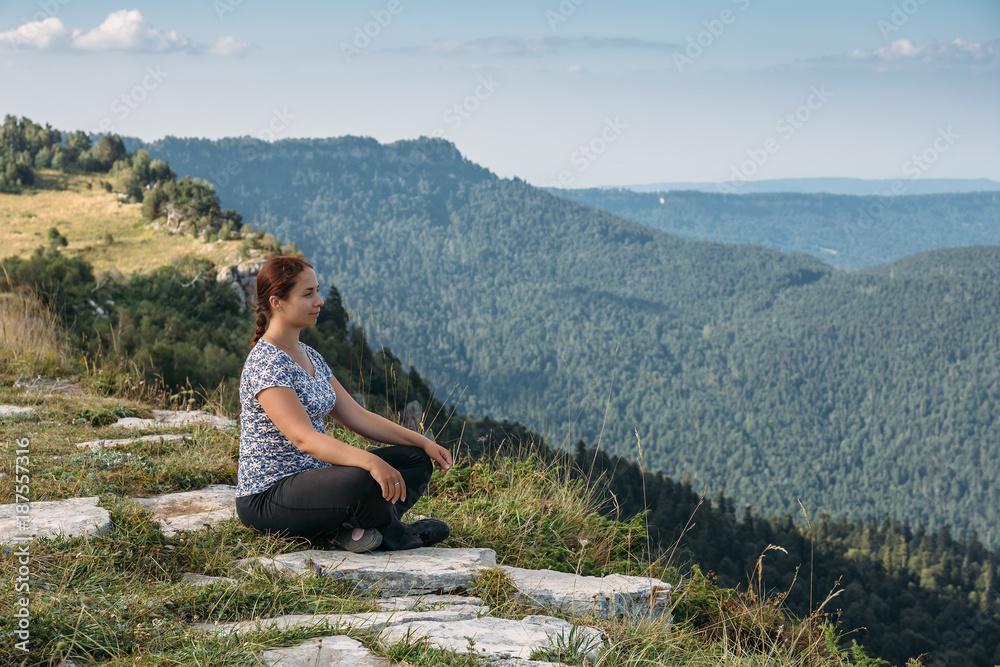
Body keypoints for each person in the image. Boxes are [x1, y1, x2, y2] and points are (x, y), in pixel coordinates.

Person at [235, 255, 452, 553]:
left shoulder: (309, 355)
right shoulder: (266, 362)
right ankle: (397, 534)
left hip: (314, 482)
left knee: (413, 459)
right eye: (308, 294)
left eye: (318, 291)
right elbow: (304, 438)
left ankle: (356, 530)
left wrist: (423, 442)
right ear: (277, 302)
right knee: (363, 478)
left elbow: (357, 416)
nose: (320, 301)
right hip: (268, 497)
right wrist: (370, 461)